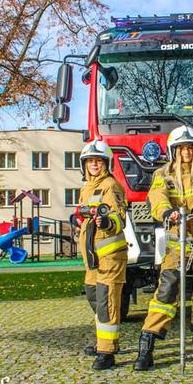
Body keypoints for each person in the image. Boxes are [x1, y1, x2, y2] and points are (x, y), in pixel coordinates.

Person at [133, 125, 193, 371]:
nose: (186, 152)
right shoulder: (163, 174)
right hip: (178, 246)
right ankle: (147, 345)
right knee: (166, 291)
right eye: (181, 148)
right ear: (174, 151)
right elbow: (156, 197)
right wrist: (166, 212)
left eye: (190, 148)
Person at [76, 139, 128, 370]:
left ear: (106, 163)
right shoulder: (86, 187)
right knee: (93, 295)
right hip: (93, 257)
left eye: (98, 161)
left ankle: (106, 352)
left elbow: (119, 217)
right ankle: (106, 341)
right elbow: (83, 213)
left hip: (110, 254)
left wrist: (107, 221)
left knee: (106, 302)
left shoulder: (111, 186)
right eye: (90, 161)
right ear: (84, 165)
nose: (94, 165)